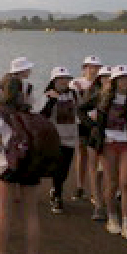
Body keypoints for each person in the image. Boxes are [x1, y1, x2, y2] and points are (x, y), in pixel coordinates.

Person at [0, 75, 47, 254]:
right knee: (31, 214)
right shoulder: (30, 111)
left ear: (2, 91)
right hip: (30, 165)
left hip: (7, 165)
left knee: (4, 213)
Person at [93, 65, 127, 241]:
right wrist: (93, 127)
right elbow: (82, 108)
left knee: (125, 183)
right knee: (112, 182)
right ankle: (112, 218)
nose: (125, 82)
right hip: (107, 145)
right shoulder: (103, 97)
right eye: (122, 78)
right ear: (115, 81)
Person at [41, 67, 80, 214]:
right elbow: (43, 115)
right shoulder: (47, 95)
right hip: (54, 138)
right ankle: (57, 196)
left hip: (70, 138)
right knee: (56, 168)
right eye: (60, 79)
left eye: (66, 79)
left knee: (64, 170)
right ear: (54, 81)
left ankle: (56, 190)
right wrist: (52, 99)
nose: (64, 81)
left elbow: (80, 111)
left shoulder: (74, 94)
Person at [68, 55, 103, 202]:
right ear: (84, 68)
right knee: (81, 154)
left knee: (95, 157)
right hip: (81, 123)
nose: (93, 70)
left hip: (97, 123)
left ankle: (95, 191)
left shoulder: (102, 84)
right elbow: (73, 103)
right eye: (90, 67)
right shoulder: (75, 83)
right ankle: (80, 187)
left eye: (96, 67)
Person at [81, 65, 113, 221]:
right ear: (100, 79)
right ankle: (99, 205)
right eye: (105, 77)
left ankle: (105, 198)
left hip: (113, 138)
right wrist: (92, 125)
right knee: (94, 169)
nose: (108, 80)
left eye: (110, 78)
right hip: (95, 136)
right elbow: (81, 110)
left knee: (108, 171)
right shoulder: (95, 94)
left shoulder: (119, 96)